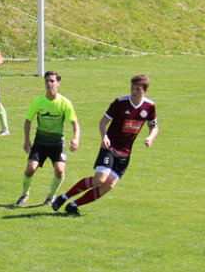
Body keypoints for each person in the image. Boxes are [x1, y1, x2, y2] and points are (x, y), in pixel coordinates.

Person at [53, 74, 158, 216]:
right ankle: (64, 197)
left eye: (138, 89)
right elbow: (103, 122)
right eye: (132, 88)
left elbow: (154, 127)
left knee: (109, 185)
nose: (134, 92)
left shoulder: (149, 107)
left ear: (145, 91)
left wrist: (150, 138)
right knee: (100, 179)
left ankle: (73, 205)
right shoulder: (120, 103)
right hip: (110, 148)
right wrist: (104, 137)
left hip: (125, 153)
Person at [16, 71, 79, 207]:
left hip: (57, 143)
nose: (49, 84)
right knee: (31, 168)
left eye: (52, 81)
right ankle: (24, 194)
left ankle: (51, 197)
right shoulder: (38, 102)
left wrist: (76, 139)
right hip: (40, 142)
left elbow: (75, 123)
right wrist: (27, 140)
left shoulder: (64, 103)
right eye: (47, 81)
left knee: (60, 170)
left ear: (58, 84)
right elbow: (28, 120)